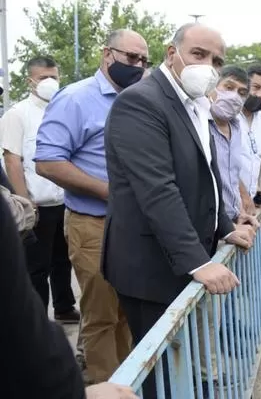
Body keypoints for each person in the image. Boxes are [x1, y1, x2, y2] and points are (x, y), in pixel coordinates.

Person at [102, 22, 255, 399]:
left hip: (180, 256)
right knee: (159, 372)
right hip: (148, 264)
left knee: (181, 360)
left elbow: (208, 176)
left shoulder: (196, 105)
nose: (209, 67)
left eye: (217, 60)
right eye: (199, 55)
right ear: (172, 54)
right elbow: (157, 189)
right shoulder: (141, 102)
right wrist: (198, 262)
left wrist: (224, 227)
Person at [35, 29, 149, 384]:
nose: (139, 66)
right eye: (132, 58)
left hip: (133, 227)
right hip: (93, 224)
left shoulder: (137, 100)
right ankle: (103, 384)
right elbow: (48, 161)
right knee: (101, 316)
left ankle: (126, 385)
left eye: (144, 61)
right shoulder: (75, 99)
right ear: (107, 54)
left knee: (128, 312)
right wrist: (108, 192)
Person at [0, 197, 138, 399]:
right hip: (88, 217)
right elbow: (22, 340)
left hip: (123, 218)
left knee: (122, 315)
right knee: (101, 317)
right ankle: (105, 379)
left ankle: (124, 381)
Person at [1, 56, 80, 325]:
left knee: (63, 261)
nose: (50, 83)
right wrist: (24, 200)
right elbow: (13, 159)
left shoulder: (63, 109)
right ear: (30, 81)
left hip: (65, 202)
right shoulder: (17, 114)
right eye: (44, 77)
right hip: (36, 204)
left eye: (54, 77)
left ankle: (65, 307)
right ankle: (37, 322)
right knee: (36, 267)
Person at [205, 65, 258, 224]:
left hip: (233, 221)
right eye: (229, 87)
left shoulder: (236, 128)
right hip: (210, 224)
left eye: (242, 93)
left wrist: (239, 211)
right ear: (213, 87)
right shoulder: (199, 124)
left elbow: (231, 176)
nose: (234, 96)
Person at [238, 65, 261, 200]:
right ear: (244, 84)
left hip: (251, 200)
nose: (260, 95)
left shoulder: (259, 118)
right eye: (256, 87)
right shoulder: (229, 113)